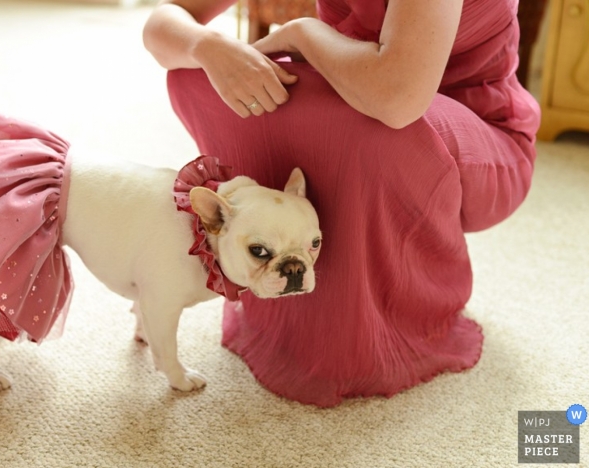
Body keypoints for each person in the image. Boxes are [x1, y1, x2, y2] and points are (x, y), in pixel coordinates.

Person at [143, 0, 540, 407]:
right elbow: (162, 23)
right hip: (360, 91)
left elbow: (397, 98)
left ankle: (377, 321)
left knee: (374, 129)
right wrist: (209, 46)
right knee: (197, 75)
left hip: (474, 136)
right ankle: (274, 257)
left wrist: (303, 33)